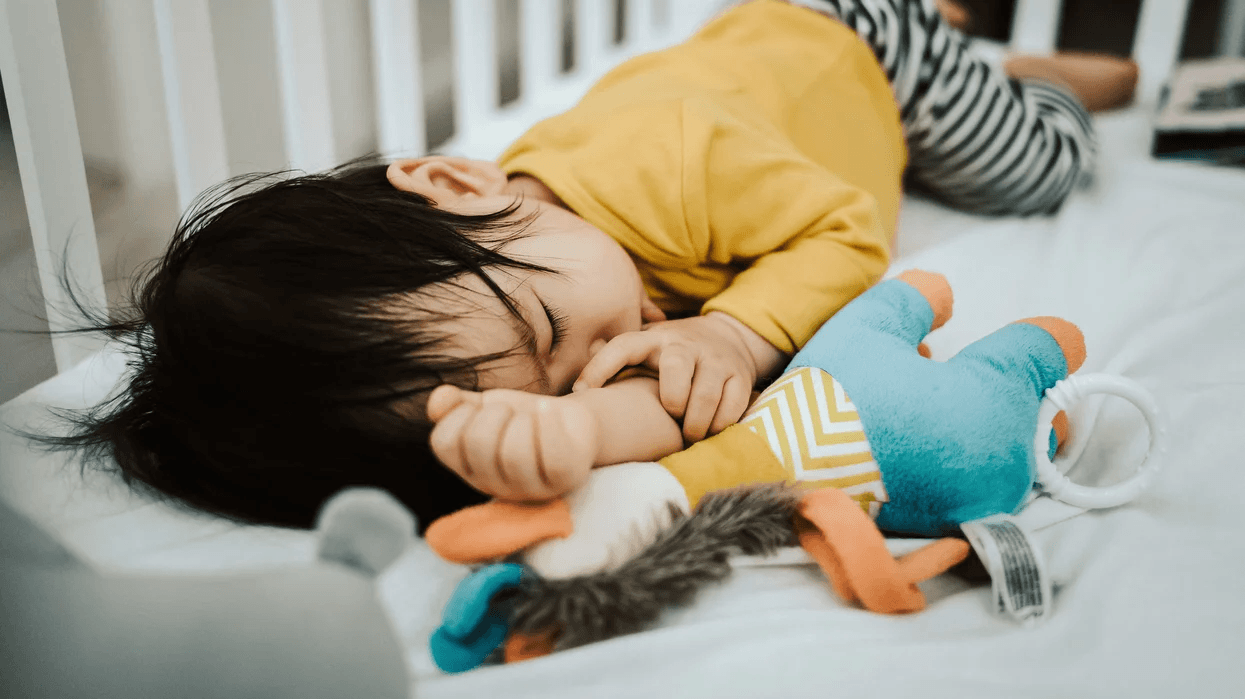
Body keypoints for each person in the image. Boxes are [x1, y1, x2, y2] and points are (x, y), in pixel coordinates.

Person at [47, 0, 1137, 531]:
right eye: (569, 388)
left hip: (852, 55)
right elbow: (627, 411)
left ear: (464, 185)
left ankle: (1037, 80)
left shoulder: (671, 165)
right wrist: (562, 435)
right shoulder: (551, 267)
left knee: (1026, 166)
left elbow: (846, 232)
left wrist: (733, 331)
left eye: (553, 340)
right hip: (763, 66)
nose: (613, 362)